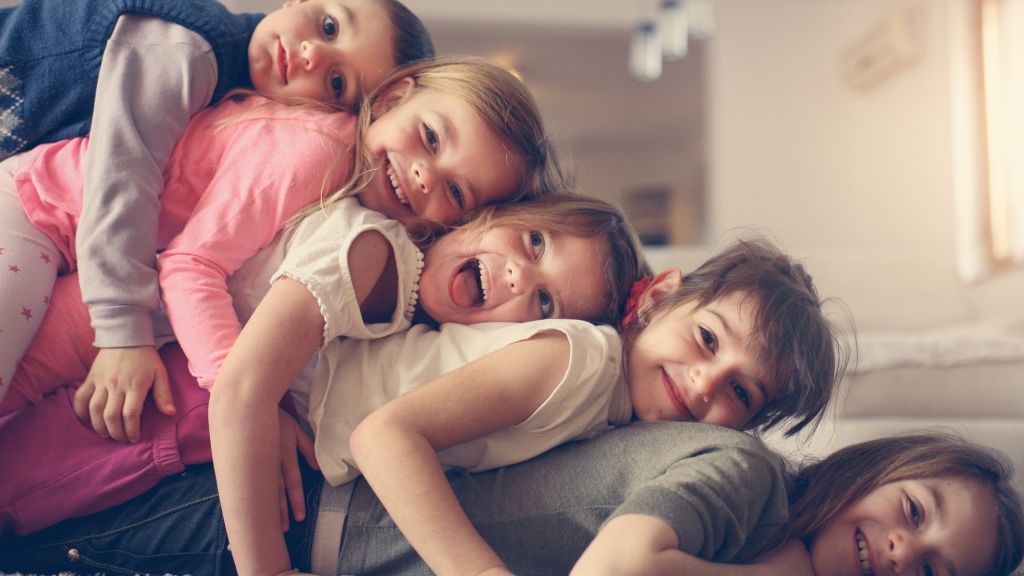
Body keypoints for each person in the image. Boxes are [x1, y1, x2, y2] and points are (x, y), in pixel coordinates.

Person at [0, 192, 645, 537]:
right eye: (534, 241)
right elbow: (242, 389)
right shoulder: (372, 249)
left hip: (176, 378)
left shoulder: (416, 314)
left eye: (544, 302)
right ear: (488, 213)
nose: (519, 276)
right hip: (138, 340)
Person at [0, 56, 557, 444]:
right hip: (40, 205)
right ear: (391, 99)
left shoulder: (355, 193)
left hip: (83, 253)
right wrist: (255, 407)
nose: (424, 175)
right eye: (431, 138)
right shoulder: (314, 153)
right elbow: (190, 266)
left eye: (455, 192)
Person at [0, 0, 433, 416]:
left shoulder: (268, 109)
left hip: (52, 211)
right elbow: (123, 171)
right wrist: (124, 334)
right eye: (330, 27)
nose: (312, 55)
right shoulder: (185, 46)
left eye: (337, 83)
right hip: (33, 199)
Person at [5, 427, 1018, 576]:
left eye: (932, 572)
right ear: (880, 469)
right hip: (281, 526)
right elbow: (615, 570)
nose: (901, 552)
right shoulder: (743, 477)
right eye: (914, 511)